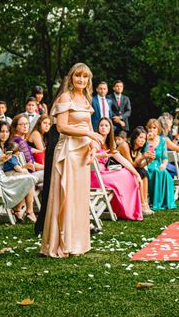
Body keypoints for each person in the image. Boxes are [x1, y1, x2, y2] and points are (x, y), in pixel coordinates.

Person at [41, 63, 104, 258]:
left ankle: (77, 243)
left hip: (82, 153)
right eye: (78, 77)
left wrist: (93, 145)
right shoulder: (65, 97)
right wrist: (88, 134)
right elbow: (61, 127)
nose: (82, 80)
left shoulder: (86, 99)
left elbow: (88, 126)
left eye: (85, 77)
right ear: (71, 78)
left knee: (78, 199)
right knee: (65, 196)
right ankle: (60, 243)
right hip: (68, 151)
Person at [0, 121, 36, 222]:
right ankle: (24, 211)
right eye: (2, 131)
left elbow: (11, 165)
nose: (4, 134)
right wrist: (0, 160)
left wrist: (24, 166)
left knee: (29, 178)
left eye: (7, 131)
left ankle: (26, 211)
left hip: (1, 176)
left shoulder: (7, 146)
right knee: (28, 179)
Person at [91, 117, 142, 220]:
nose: (103, 128)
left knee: (127, 173)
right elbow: (90, 155)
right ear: (98, 128)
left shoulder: (110, 144)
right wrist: (101, 156)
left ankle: (127, 209)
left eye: (106, 125)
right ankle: (124, 209)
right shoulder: (95, 141)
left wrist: (136, 174)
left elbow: (122, 160)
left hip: (104, 174)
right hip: (95, 175)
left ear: (110, 129)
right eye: (101, 125)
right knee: (123, 175)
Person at [144, 118, 177, 210]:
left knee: (165, 174)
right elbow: (142, 153)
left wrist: (164, 165)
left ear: (158, 129)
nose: (152, 130)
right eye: (150, 128)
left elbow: (165, 158)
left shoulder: (162, 141)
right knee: (156, 172)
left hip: (158, 164)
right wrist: (147, 140)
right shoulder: (144, 140)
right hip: (147, 164)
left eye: (154, 128)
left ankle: (164, 201)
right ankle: (155, 201)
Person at [121, 126, 153, 215]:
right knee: (141, 172)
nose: (143, 140)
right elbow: (131, 164)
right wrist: (143, 157)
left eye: (144, 139)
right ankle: (142, 204)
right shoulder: (125, 145)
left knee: (143, 171)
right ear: (135, 137)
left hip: (129, 171)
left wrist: (149, 161)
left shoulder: (138, 152)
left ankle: (145, 203)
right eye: (141, 137)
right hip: (118, 171)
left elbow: (139, 165)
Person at [10, 113, 44, 183]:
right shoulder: (19, 141)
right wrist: (47, 167)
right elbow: (32, 163)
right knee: (52, 173)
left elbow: (29, 148)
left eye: (26, 123)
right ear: (15, 126)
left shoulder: (16, 139)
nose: (25, 126)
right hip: (28, 174)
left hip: (23, 172)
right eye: (21, 124)